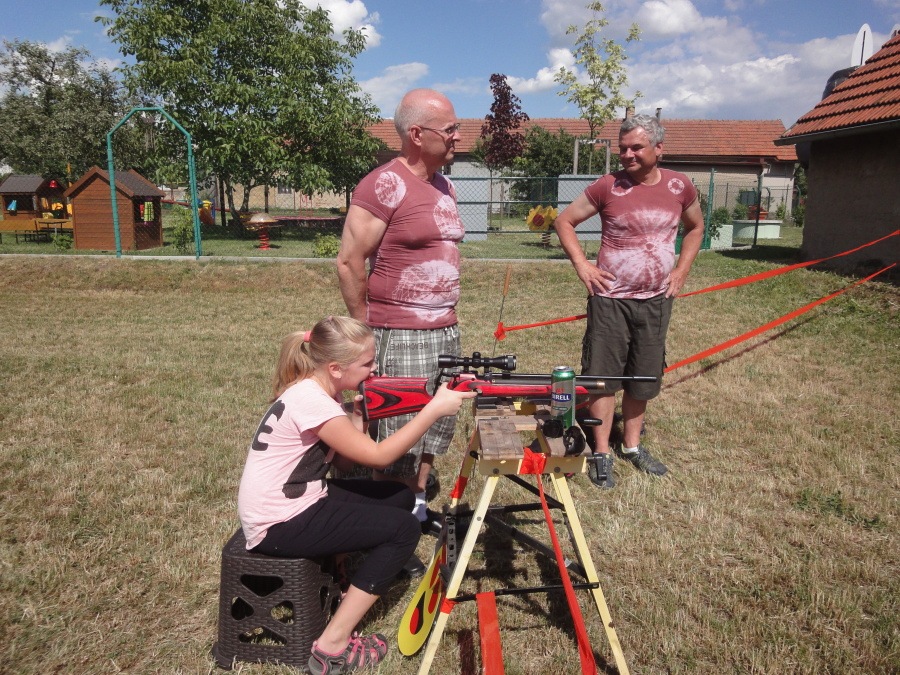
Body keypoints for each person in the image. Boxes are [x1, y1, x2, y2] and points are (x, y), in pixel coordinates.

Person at [237, 316, 475, 674]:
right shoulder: (313, 402)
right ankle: (331, 647)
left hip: (294, 501)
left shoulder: (317, 390)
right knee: (404, 530)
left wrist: (360, 416)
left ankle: (341, 578)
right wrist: (433, 410)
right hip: (278, 522)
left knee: (398, 497)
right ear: (335, 368)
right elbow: (379, 457)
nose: (374, 368)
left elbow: (345, 464)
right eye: (367, 363)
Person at [553, 114, 704, 488]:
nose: (627, 155)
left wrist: (682, 269)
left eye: (636, 147)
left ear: (658, 148)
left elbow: (696, 227)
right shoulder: (608, 186)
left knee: (644, 374)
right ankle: (602, 452)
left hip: (656, 300)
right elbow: (564, 221)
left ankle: (632, 446)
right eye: (623, 149)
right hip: (610, 301)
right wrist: (582, 264)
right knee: (603, 377)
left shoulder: (679, 186)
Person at [336, 88, 464, 527]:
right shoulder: (384, 184)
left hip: (444, 328)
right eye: (449, 129)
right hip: (400, 332)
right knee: (399, 430)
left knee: (434, 425)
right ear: (417, 134)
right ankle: (388, 520)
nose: (457, 137)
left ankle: (416, 506)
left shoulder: (444, 185)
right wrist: (364, 331)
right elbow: (349, 261)